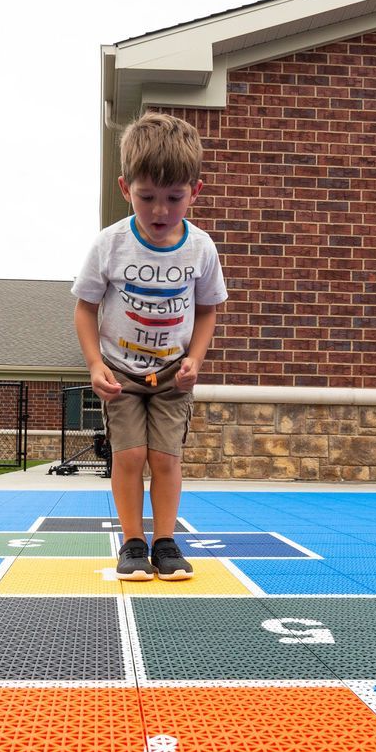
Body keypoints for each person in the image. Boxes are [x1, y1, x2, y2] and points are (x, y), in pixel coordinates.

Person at [72, 111, 228, 580]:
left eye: (174, 198)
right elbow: (85, 308)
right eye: (147, 198)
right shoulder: (111, 244)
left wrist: (196, 359)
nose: (160, 211)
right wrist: (95, 364)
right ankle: (133, 542)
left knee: (165, 457)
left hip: (173, 373)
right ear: (125, 189)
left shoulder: (200, 249)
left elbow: (207, 309)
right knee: (130, 455)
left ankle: (165, 540)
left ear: (194, 192)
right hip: (120, 373)